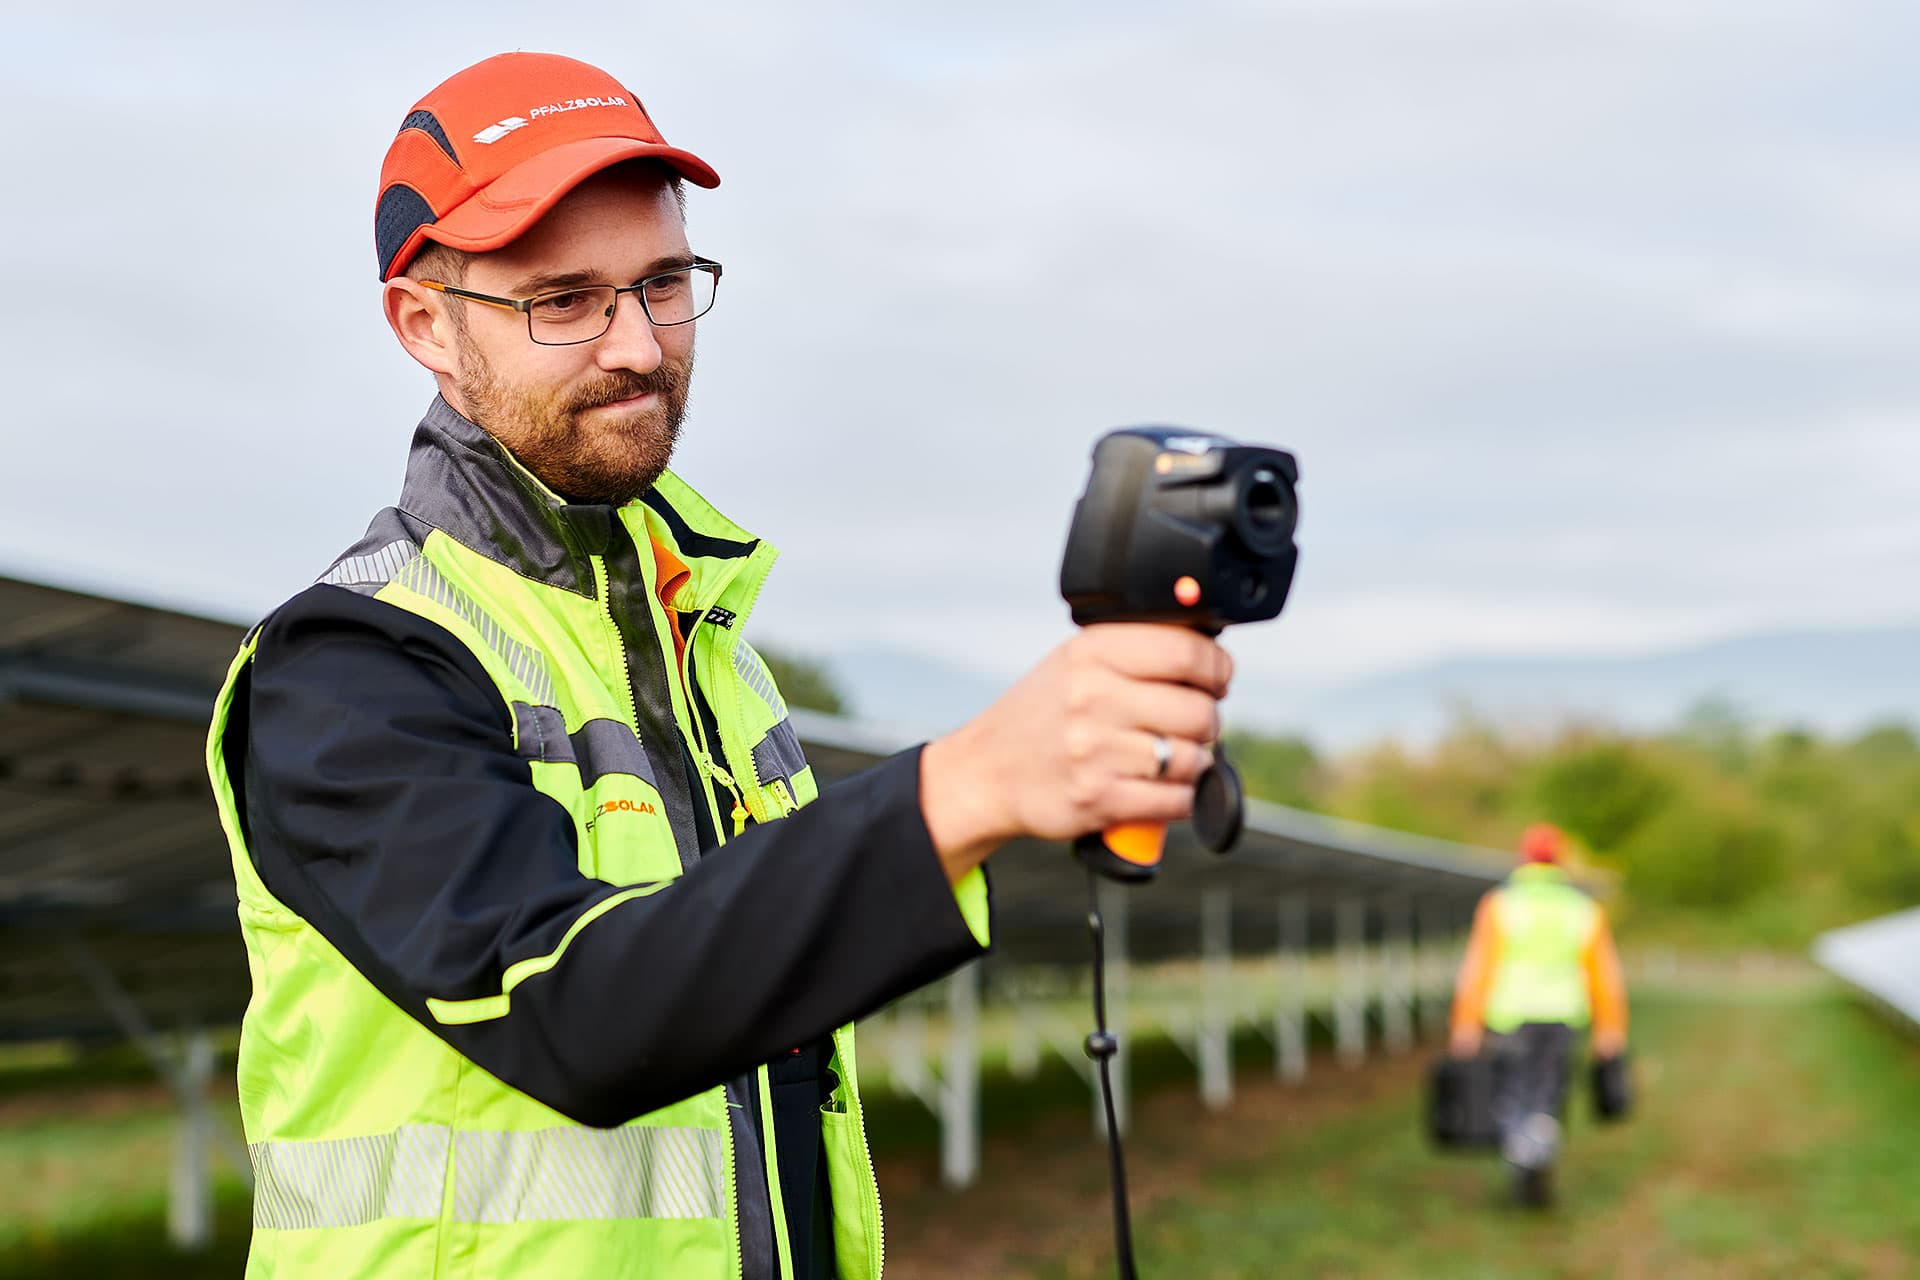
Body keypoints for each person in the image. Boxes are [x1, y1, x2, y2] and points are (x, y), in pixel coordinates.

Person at [204, 51, 1233, 1280]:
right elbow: (571, 1006)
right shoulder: (348, 664)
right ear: (423, 320)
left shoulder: (706, 642)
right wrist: (964, 788)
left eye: (663, 281)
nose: (637, 344)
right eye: (565, 299)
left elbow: (748, 1024)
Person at [1448, 822, 1628, 1206]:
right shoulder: (1583, 910)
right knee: (1548, 1091)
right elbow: (1605, 976)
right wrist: (1610, 1028)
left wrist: (1465, 1023)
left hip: (1511, 1015)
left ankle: (1521, 1155)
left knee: (1514, 1090)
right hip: (1562, 1016)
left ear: (1523, 858)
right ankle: (1540, 1148)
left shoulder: (1500, 906)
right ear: (1560, 860)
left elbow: (1477, 969)